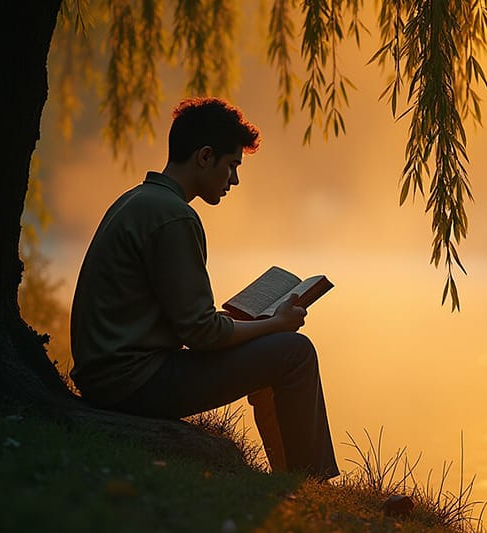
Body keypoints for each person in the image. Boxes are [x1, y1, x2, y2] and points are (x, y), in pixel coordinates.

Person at [69, 96, 339, 480]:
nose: (234, 180)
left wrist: (253, 326)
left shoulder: (138, 200)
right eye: (232, 166)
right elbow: (201, 334)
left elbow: (181, 320)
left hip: (109, 376)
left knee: (270, 345)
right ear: (205, 157)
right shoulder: (174, 217)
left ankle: (287, 475)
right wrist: (275, 324)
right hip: (134, 383)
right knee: (294, 351)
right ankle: (308, 480)